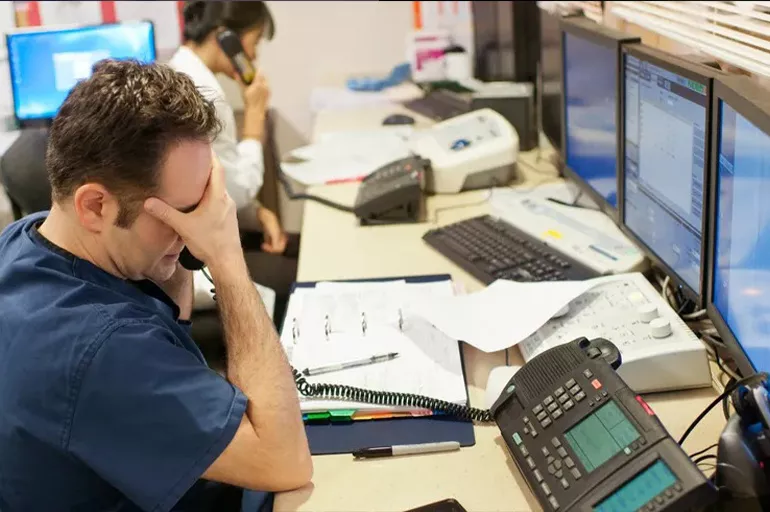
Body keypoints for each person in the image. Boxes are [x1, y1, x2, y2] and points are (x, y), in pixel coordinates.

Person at [0, 59, 312, 511]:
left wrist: (180, 239)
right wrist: (225, 256)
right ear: (95, 206)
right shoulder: (102, 349)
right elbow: (285, 462)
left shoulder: (25, 238)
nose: (197, 226)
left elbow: (172, 326)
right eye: (181, 212)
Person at [169, 1, 287, 253]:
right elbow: (236, 191)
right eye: (255, 42)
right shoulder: (206, 93)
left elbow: (208, 185)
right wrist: (255, 118)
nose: (253, 56)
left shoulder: (178, 70)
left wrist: (255, 211)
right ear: (226, 38)